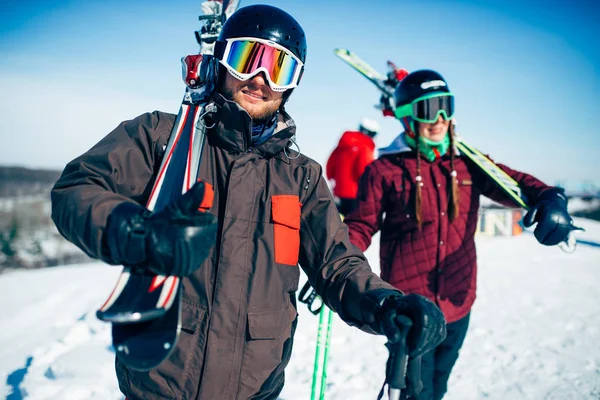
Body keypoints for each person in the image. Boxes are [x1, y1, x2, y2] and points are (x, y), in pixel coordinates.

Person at [50, 6, 447, 400]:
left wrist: (385, 304)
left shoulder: (300, 176)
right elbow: (78, 188)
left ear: (293, 84)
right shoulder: (162, 137)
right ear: (222, 61)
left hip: (256, 386)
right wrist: (133, 231)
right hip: (161, 381)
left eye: (280, 69)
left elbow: (337, 263)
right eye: (246, 60)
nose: (260, 79)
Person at [344, 69, 575, 400]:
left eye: (445, 106)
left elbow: (514, 183)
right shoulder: (384, 170)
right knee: (413, 392)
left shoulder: (468, 163)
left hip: (458, 303)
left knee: (438, 386)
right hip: (411, 310)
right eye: (427, 109)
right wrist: (339, 258)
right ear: (407, 117)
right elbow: (361, 224)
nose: (439, 119)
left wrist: (550, 196)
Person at [326, 118, 379, 215]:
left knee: (338, 220)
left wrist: (335, 183)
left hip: (338, 191)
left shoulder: (343, 144)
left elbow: (330, 165)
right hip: (356, 193)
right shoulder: (365, 145)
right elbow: (364, 170)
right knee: (353, 223)